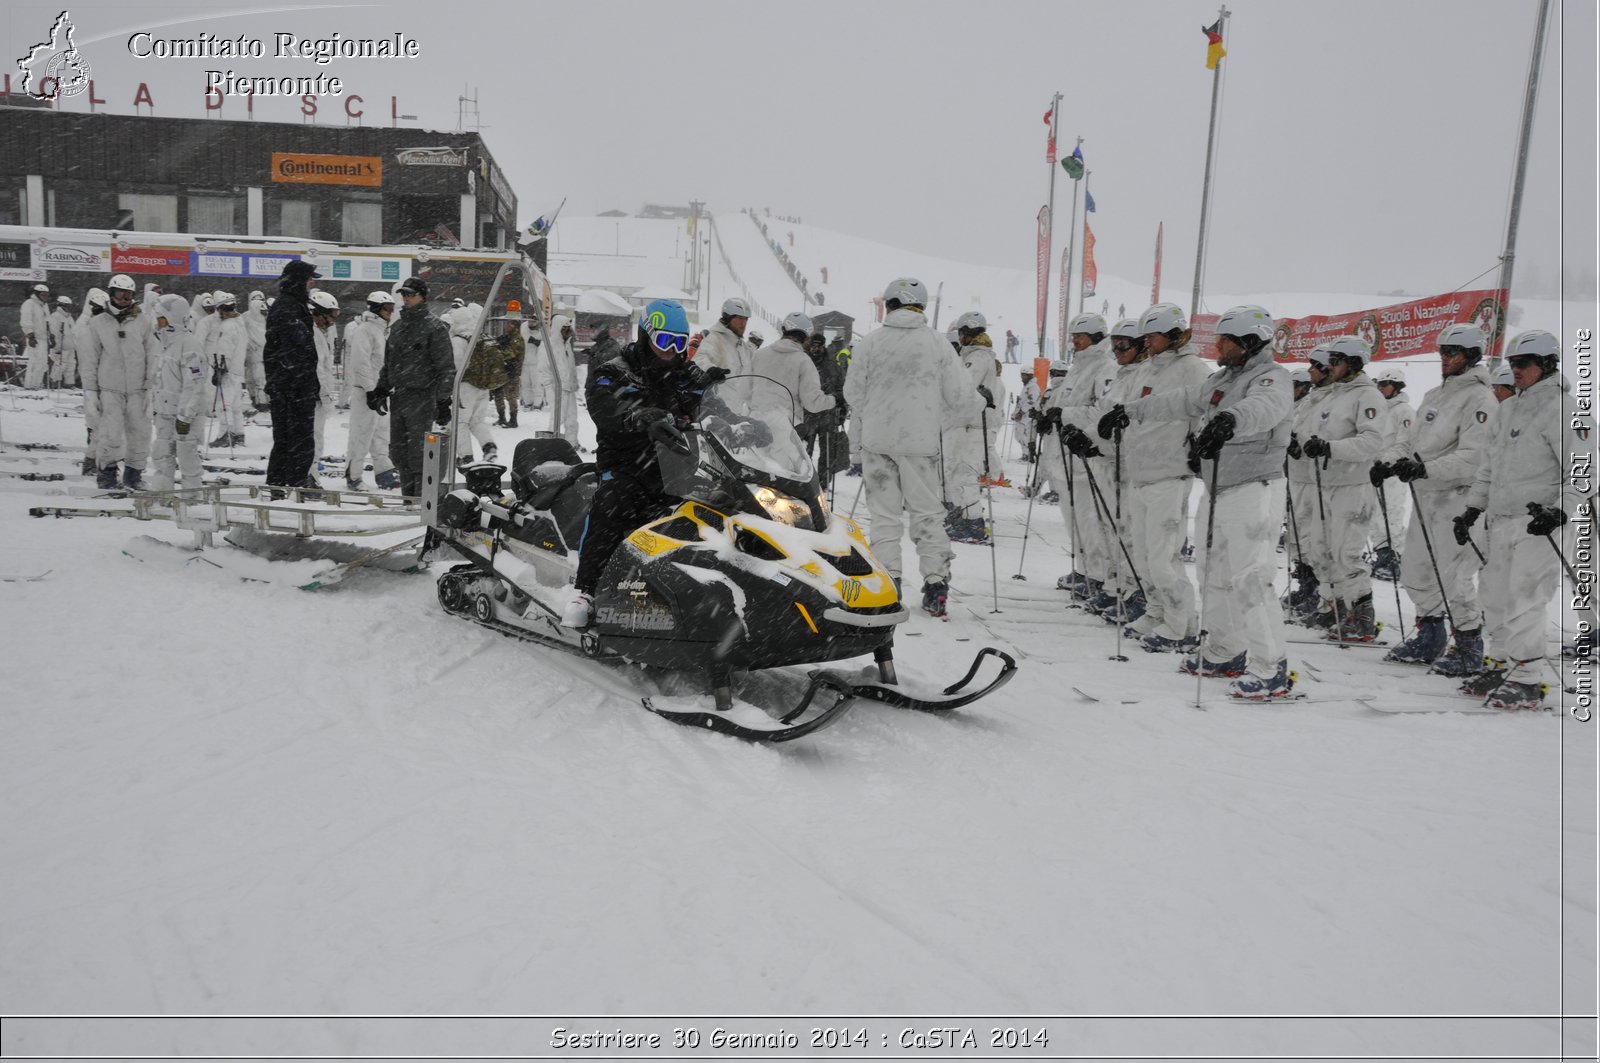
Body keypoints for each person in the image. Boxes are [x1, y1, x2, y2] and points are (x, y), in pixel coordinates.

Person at [1115, 304, 1295, 698]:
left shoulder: (1271, 378)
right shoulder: (1223, 379)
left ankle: (1271, 667)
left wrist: (1230, 420)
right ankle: (1225, 649)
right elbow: (1178, 400)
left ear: (1250, 341)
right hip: (1217, 488)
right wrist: (1128, 411)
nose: (1218, 346)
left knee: (1251, 577)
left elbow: (1263, 409)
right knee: (1213, 573)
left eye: (1226, 340)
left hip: (1254, 488)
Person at [560, 299, 718, 628]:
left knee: (710, 513)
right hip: (624, 465)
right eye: (664, 341)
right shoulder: (616, 368)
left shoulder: (683, 371)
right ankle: (586, 591)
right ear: (646, 336)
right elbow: (601, 405)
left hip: (674, 469)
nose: (671, 351)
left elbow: (708, 402)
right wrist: (637, 416)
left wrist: (734, 415)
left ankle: (702, 592)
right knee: (612, 503)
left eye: (679, 343)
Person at [1456, 330, 1581, 709]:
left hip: (1541, 522)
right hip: (1501, 517)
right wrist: (1472, 508)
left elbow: (1584, 470)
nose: (1517, 371)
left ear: (1546, 364)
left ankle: (1526, 677)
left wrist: (1560, 510)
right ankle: (1500, 663)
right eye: (1513, 364)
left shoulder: (1565, 409)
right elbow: (1488, 466)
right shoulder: (1508, 408)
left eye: (1523, 364)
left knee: (1525, 598)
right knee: (1494, 595)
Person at [843, 277, 983, 617]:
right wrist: (940, 416)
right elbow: (962, 398)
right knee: (927, 514)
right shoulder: (937, 344)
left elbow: (853, 393)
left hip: (878, 442)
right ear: (920, 306)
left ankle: (888, 582)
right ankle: (935, 584)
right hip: (920, 444)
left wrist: (877, 414)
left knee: (885, 516)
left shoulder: (870, 343)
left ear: (889, 304)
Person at [1092, 307, 1212, 647]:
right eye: (1145, 337)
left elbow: (1203, 410)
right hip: (1139, 471)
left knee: (1163, 557)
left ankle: (1181, 624)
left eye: (1153, 336)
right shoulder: (1148, 369)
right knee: (1144, 555)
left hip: (1169, 473)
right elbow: (1127, 407)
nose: (1148, 343)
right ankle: (1157, 610)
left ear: (1174, 335)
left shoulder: (1192, 369)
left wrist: (1198, 445)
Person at [1383, 323, 1496, 670]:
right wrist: (1391, 461)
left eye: (1452, 352)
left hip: (1456, 497)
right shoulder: (1435, 394)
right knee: (1416, 571)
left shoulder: (1480, 399)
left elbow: (1475, 456)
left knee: (1453, 576)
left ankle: (1468, 646)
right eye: (1442, 352)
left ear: (1472, 355)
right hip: (1425, 497)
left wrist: (1426, 469)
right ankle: (1429, 635)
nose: (1444, 359)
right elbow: (1411, 441)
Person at [1293, 334, 1387, 641]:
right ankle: (1330, 605)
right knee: (1320, 551)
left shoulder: (1367, 396)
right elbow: (1312, 432)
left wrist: (1330, 448)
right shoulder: (1333, 394)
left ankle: (1361, 615)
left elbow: (1372, 442)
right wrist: (1299, 443)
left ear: (1354, 363)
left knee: (1346, 554)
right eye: (1330, 361)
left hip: (1352, 485)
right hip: (1326, 483)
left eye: (1336, 361)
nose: (1330, 366)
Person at [1044, 312, 1120, 602]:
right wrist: (1051, 416)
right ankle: (1083, 566)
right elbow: (1066, 403)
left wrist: (1065, 415)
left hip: (1086, 455)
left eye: (1081, 336)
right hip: (1066, 454)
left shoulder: (1104, 367)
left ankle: (1098, 572)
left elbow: (1101, 410)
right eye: (1073, 336)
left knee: (1090, 519)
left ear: (1097, 337)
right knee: (1073, 518)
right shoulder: (1078, 367)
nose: (1075, 341)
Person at [367, 276, 454, 498]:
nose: (406, 299)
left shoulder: (435, 328)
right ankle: (409, 500)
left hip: (423, 398)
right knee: (399, 452)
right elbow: (389, 364)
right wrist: (380, 389)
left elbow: (446, 368)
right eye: (403, 295)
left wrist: (443, 401)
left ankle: (421, 503)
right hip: (399, 398)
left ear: (423, 296)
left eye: (411, 295)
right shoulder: (397, 327)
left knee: (420, 454)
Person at [79, 274, 160, 490]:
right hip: (109, 390)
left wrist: (150, 385)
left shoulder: (142, 321)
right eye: (119, 293)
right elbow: (89, 358)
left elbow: (153, 353)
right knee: (109, 434)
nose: (124, 298)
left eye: (128, 294)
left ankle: (133, 475)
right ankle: (106, 474)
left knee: (140, 434)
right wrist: (90, 391)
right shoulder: (98, 323)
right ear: (111, 294)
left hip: (138, 390)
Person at [262, 261, 324, 491]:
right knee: (296, 441)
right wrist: (301, 385)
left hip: (290, 387)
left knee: (290, 441)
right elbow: (292, 351)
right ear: (299, 280)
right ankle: (292, 488)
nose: (312, 284)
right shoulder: (288, 307)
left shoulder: (293, 305)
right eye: (309, 279)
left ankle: (284, 487)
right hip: (291, 390)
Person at [943, 310, 1002, 543]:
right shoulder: (973, 355)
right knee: (957, 473)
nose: (960, 337)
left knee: (965, 473)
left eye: (962, 333)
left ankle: (974, 524)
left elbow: (963, 387)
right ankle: (964, 517)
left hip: (973, 425)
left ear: (968, 332)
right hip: (967, 424)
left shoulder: (977, 357)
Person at [1283, 357, 1332, 620]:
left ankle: (1317, 590)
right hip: (1294, 476)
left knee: (1310, 539)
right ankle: (1305, 584)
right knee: (1294, 535)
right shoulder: (1299, 406)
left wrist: (1298, 447)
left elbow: (1315, 438)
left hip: (1311, 478)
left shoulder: (1314, 403)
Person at [148, 294, 207, 493]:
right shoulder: (164, 344)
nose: (158, 322)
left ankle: (192, 500)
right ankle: (161, 495)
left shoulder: (189, 344)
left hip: (184, 417)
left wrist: (185, 416)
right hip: (165, 412)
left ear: (173, 317)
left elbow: (194, 384)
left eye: (161, 317)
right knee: (162, 456)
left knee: (188, 459)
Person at [344, 291, 398, 491]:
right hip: (365, 390)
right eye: (387, 309)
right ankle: (353, 476)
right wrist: (369, 390)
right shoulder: (365, 330)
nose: (390, 313)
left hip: (380, 391)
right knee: (361, 434)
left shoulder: (382, 330)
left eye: (392, 309)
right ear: (376, 309)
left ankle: (384, 473)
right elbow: (360, 362)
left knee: (381, 434)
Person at [748, 311, 835, 433]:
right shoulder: (803, 361)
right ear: (806, 337)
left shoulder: (759, 355)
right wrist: (833, 400)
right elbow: (812, 402)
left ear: (783, 329)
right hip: (786, 428)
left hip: (756, 426)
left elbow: (744, 390)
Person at [1368, 363, 1415, 581]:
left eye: (1385, 385)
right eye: (1379, 384)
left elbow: (1405, 443)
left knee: (1391, 514)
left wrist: (1385, 461)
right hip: (1375, 470)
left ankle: (1395, 558)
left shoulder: (1404, 411)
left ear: (1396, 386)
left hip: (1392, 471)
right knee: (1376, 515)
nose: (1381, 388)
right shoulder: (1379, 409)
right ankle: (1382, 554)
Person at [455, 308, 516, 466]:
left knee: (460, 422)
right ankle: (489, 448)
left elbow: (456, 366)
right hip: (483, 386)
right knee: (477, 422)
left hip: (465, 386)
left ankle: (465, 457)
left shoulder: (459, 339)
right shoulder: (480, 336)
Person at [696, 297, 756, 411]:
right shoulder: (715, 338)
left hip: (740, 411)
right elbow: (699, 359)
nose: (743, 324)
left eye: (746, 319)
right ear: (727, 318)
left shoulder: (742, 346)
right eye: (739, 318)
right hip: (719, 410)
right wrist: (711, 369)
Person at [207, 293, 249, 449]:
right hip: (238, 370)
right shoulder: (240, 323)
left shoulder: (226, 326)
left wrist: (219, 369)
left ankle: (225, 435)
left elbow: (224, 351)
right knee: (236, 405)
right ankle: (238, 434)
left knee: (223, 405)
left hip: (228, 371)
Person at [74, 289, 108, 475]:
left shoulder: (96, 325)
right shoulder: (84, 326)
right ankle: (91, 462)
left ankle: (98, 459)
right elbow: (88, 359)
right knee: (95, 422)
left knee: (102, 422)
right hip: (92, 382)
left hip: (102, 380)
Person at [308, 290, 342, 460]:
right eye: (331, 315)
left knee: (316, 433)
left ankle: (311, 468)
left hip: (317, 393)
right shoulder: (313, 334)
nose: (332, 321)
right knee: (314, 434)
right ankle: (310, 471)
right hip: (315, 394)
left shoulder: (320, 333)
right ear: (319, 313)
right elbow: (318, 369)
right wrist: (325, 394)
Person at [547, 314, 582, 445]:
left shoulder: (566, 345)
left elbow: (571, 368)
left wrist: (574, 383)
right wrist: (549, 388)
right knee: (557, 418)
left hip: (569, 389)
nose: (567, 331)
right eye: (564, 328)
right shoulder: (550, 346)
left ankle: (572, 443)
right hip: (557, 389)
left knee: (572, 419)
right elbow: (543, 370)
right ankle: (549, 443)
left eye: (568, 328)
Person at [493, 301, 527, 428]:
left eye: (510, 323)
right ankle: (501, 417)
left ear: (515, 325)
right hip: (503, 369)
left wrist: (499, 349)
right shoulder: (508, 337)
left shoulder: (517, 339)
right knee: (498, 394)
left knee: (510, 396)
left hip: (512, 371)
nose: (507, 326)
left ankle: (513, 420)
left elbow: (510, 353)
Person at [20, 283, 51, 389]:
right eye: (43, 295)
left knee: (43, 363)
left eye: (47, 295)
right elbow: (26, 321)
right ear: (37, 294)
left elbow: (47, 321)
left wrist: (50, 335)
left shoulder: (44, 306)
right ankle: (29, 385)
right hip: (34, 338)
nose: (45, 297)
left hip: (43, 338)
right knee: (34, 362)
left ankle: (37, 384)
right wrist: (30, 335)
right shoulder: (29, 303)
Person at [47, 295, 76, 389]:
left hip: (70, 346)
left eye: (70, 306)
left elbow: (73, 332)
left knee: (71, 365)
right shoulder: (55, 316)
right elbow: (54, 332)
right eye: (67, 306)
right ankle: (54, 381)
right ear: (62, 305)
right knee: (60, 365)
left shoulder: (69, 318)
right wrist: (57, 346)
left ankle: (69, 383)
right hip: (61, 347)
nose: (69, 308)